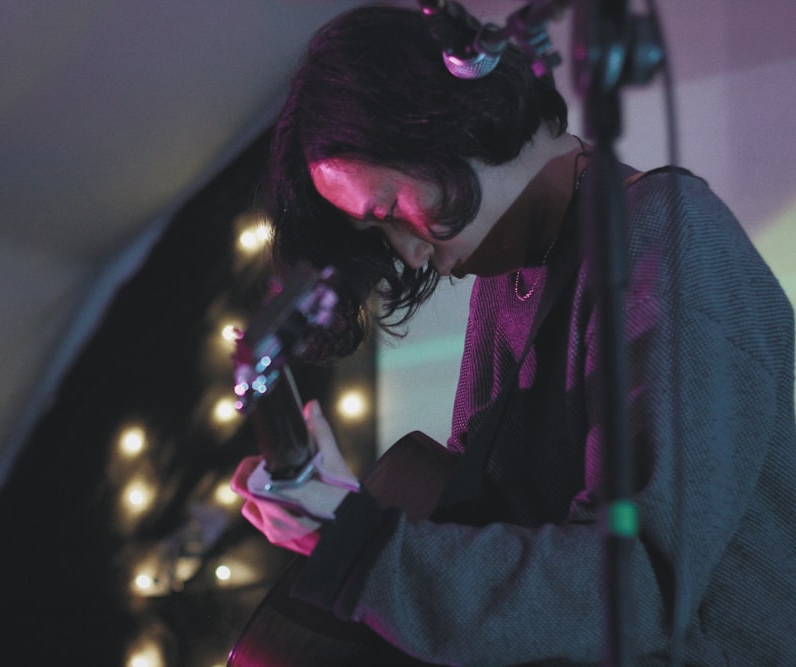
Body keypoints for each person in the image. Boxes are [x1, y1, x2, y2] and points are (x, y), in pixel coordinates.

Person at [231, 4, 796, 665]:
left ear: (432, 122)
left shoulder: (669, 245)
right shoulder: (509, 278)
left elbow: (636, 584)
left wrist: (365, 549)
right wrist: (344, 512)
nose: (409, 256)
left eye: (390, 212)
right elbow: (489, 518)